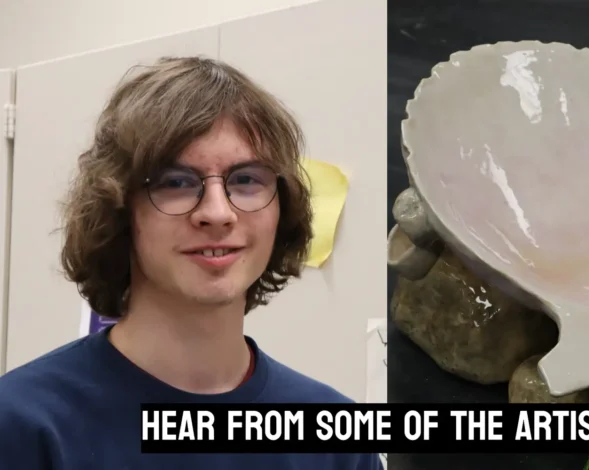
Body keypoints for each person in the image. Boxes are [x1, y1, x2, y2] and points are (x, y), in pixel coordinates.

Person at [0, 56, 382, 469]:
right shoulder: (24, 426)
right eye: (176, 183)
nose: (218, 213)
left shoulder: (335, 443)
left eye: (246, 179)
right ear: (120, 210)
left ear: (281, 208)